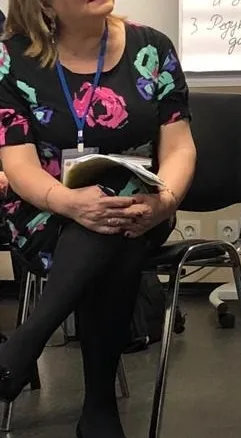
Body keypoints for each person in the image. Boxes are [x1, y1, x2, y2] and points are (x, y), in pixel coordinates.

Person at [0, 1, 195, 437]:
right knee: (112, 237)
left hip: (143, 205)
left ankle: (25, 345)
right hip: (45, 206)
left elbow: (180, 146)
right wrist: (69, 202)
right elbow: (18, 163)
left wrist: (166, 201)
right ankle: (98, 410)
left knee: (115, 213)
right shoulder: (10, 59)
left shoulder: (151, 48)